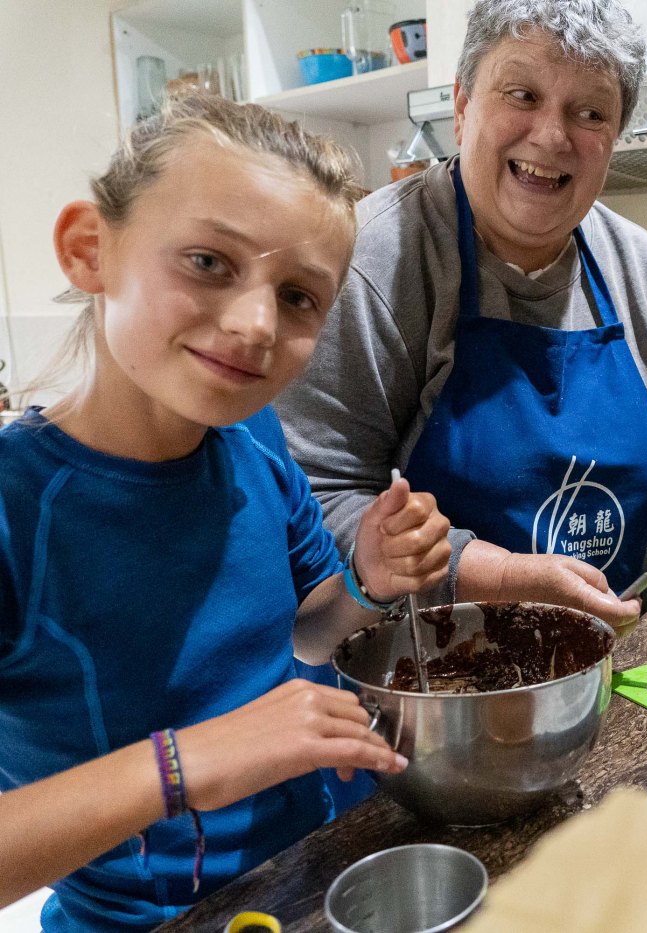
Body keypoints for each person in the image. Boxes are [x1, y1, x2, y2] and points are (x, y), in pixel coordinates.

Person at [274, 0, 647, 631]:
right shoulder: (370, 261)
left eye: (590, 112)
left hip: (598, 659)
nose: (552, 136)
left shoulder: (637, 264)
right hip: (422, 669)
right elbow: (317, 500)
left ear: (614, 137)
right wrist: (497, 576)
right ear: (461, 105)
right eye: (522, 95)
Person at [0, 94, 452, 931]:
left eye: (299, 297)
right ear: (90, 249)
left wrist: (368, 580)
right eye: (209, 261)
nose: (254, 324)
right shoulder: (15, 506)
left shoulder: (255, 438)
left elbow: (310, 630)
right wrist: (181, 765)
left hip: (303, 880)